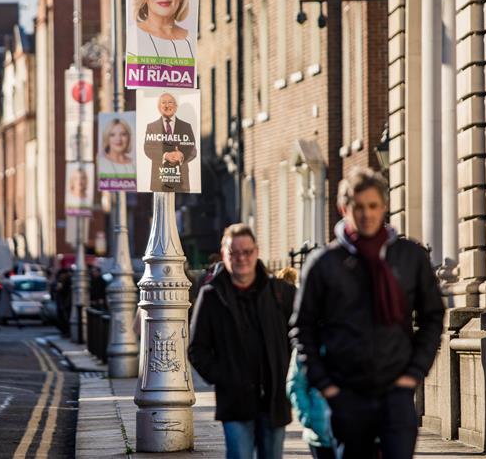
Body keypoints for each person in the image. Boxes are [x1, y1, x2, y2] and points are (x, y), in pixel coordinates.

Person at [291, 166, 444, 459]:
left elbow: (432, 316)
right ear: (344, 209)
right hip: (346, 394)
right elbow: (303, 328)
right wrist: (327, 385)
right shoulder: (324, 263)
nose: (366, 214)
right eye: (358, 207)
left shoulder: (409, 256)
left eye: (373, 206)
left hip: (396, 391)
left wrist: (414, 373)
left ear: (384, 207)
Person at [189, 224, 296, 459]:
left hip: (273, 400)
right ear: (224, 255)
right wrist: (224, 377)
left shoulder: (280, 292)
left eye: (246, 252)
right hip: (235, 403)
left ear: (256, 252)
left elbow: (301, 333)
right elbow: (197, 349)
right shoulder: (212, 296)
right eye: (234, 253)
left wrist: (286, 373)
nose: (241, 258)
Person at [143, 92, 196, 193]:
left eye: (170, 102)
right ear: (159, 107)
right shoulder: (152, 127)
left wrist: (181, 155)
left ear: (176, 107)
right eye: (163, 103)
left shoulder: (186, 126)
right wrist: (165, 155)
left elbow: (193, 151)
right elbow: (148, 149)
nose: (167, 106)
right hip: (159, 180)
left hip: (181, 180)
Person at [287, 348, 335, 459]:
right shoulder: (307, 343)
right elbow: (296, 385)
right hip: (320, 433)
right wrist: (308, 418)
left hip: (358, 431)